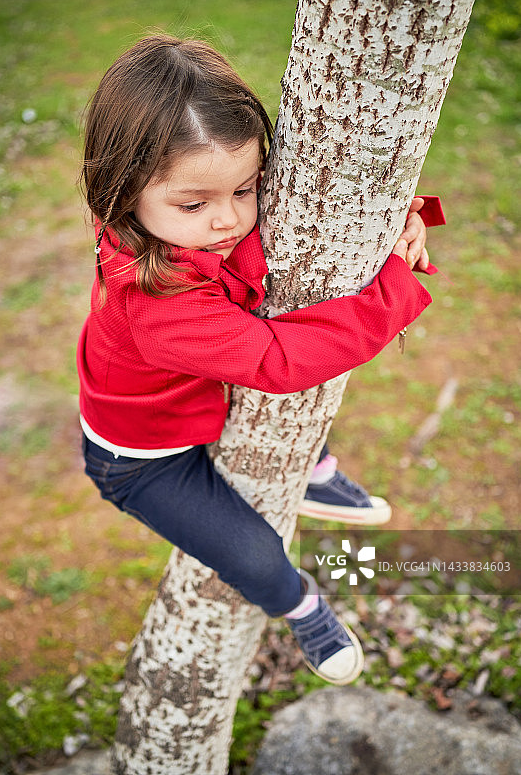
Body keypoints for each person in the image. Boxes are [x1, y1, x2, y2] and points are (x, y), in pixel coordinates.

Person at [77, 34, 444, 685]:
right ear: (123, 190)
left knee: (286, 390)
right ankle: (301, 604)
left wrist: (394, 222)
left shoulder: (191, 223)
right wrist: (390, 283)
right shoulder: (156, 306)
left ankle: (313, 466)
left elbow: (290, 226)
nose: (228, 221)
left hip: (202, 398)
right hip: (142, 459)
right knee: (251, 551)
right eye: (195, 204)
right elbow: (280, 361)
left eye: (245, 189)